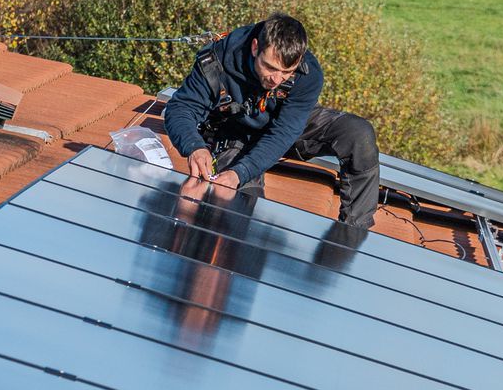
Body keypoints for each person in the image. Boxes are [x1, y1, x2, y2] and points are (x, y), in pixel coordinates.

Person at [162, 12, 380, 229]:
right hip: (233, 134)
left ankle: (354, 232)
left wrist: (241, 172)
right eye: (270, 67)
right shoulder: (217, 60)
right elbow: (180, 108)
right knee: (242, 218)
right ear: (255, 47)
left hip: (284, 127)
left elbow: (284, 132)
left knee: (358, 134)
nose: (276, 79)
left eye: (286, 72)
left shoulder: (308, 73)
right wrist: (194, 147)